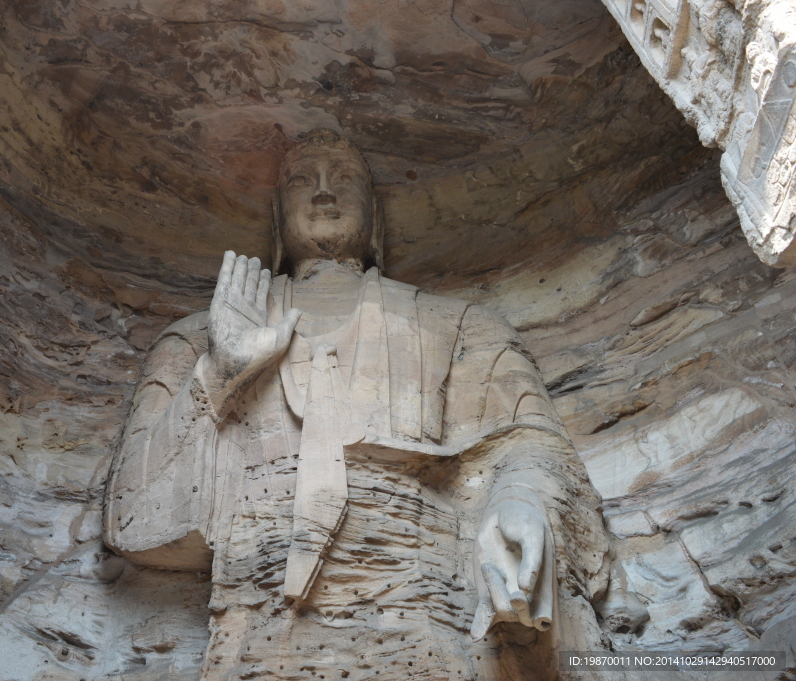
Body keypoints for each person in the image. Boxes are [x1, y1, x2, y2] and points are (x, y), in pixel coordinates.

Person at [104, 129, 631, 680]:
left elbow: (531, 445)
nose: (323, 193)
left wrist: (520, 499)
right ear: (276, 219)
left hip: (429, 614)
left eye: (344, 179)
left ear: (376, 218)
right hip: (258, 623)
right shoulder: (199, 338)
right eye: (302, 181)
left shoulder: (458, 326)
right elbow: (130, 519)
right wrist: (219, 375)